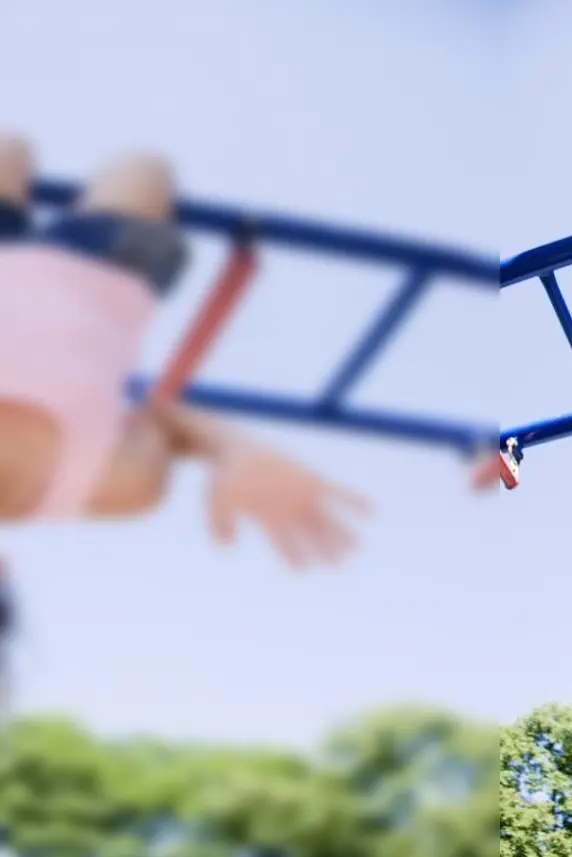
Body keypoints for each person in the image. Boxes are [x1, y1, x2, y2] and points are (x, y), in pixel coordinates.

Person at [0, 132, 366, 565]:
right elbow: (166, 420)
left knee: (11, 146)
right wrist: (234, 448)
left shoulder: (106, 486)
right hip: (107, 264)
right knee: (142, 163)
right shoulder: (113, 487)